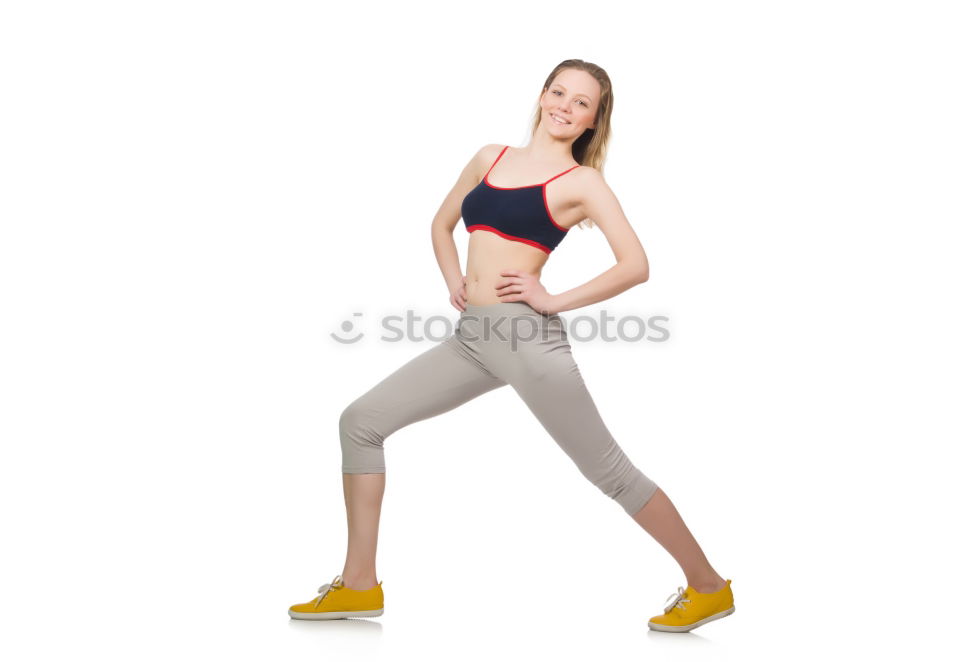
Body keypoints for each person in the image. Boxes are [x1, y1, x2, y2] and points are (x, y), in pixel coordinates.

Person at [288, 59, 735, 633]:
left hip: (526, 341)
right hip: (473, 338)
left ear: (594, 121)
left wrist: (552, 300)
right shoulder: (490, 157)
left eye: (581, 103)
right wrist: (455, 281)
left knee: (611, 474)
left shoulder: (582, 183)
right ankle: (357, 585)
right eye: (558, 92)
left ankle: (708, 586)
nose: (564, 107)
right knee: (360, 421)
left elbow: (636, 266)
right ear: (542, 94)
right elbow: (440, 224)